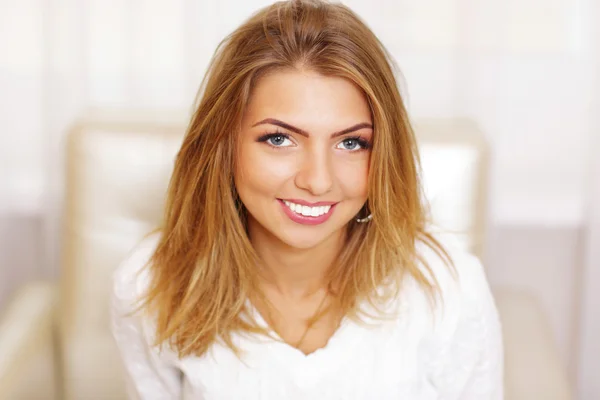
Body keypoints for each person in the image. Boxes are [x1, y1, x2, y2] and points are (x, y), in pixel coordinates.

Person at [110, 0, 503, 398]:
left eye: (351, 142)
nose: (318, 181)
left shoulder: (449, 288)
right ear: (223, 145)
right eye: (279, 139)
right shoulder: (147, 285)